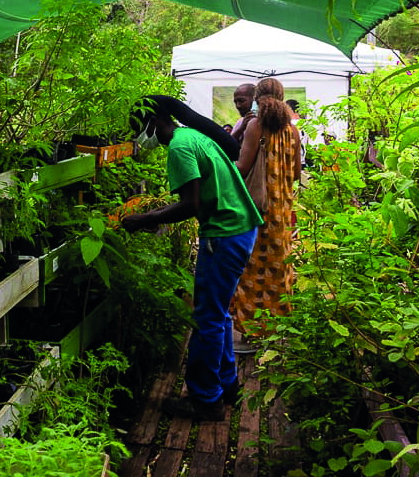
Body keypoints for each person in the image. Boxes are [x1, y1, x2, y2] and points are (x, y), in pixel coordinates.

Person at [122, 95, 262, 421]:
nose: (137, 137)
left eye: (137, 129)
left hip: (225, 234)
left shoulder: (179, 148)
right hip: (240, 228)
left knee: (206, 319)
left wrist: (145, 218)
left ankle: (205, 400)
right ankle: (227, 385)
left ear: (154, 122)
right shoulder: (192, 136)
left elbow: (191, 205)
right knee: (218, 314)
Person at [231, 78, 302, 347]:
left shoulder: (255, 125)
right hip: (282, 211)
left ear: (257, 98)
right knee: (277, 266)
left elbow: (243, 166)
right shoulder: (292, 131)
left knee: (250, 269)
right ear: (283, 98)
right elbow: (295, 173)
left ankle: (249, 333)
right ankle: (276, 329)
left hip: (256, 208)